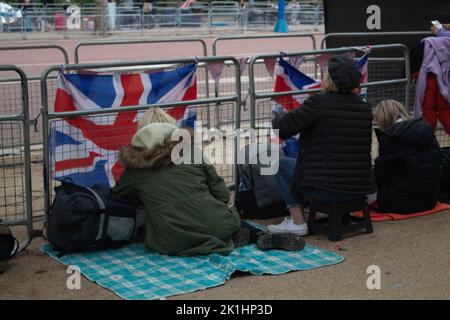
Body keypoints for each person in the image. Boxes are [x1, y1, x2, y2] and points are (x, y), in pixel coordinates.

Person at [113, 108, 305, 256]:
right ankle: (255, 236)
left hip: (170, 240)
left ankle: (219, 238)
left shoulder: (136, 168)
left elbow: (119, 196)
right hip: (218, 224)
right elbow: (222, 193)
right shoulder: (191, 152)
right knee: (225, 219)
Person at [268, 55, 376, 234]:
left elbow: (283, 128)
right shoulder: (364, 107)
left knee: (278, 164)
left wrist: (279, 115)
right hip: (360, 186)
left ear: (330, 79)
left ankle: (297, 222)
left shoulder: (319, 103)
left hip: (327, 188)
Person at [373, 100, 442, 214]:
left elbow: (379, 176)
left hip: (403, 204)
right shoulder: (426, 129)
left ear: (383, 118)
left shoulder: (390, 138)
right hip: (430, 199)